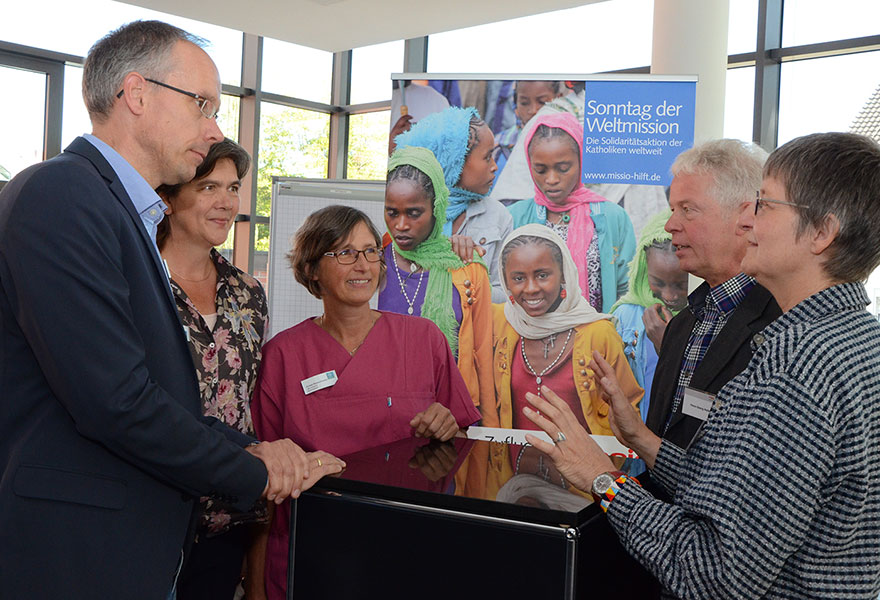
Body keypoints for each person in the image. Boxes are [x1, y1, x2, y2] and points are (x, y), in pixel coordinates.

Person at [0, 21, 342, 599]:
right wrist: (259, 472)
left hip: (129, 544)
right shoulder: (62, 195)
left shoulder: (119, 212)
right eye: (203, 104)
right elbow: (116, 401)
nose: (214, 131)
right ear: (137, 94)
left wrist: (252, 448)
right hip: (77, 554)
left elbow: (158, 391)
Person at [522, 132, 880, 599]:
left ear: (821, 233)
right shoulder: (858, 338)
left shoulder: (793, 369)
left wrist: (601, 480)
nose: (748, 221)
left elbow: (711, 572)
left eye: (765, 205)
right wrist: (643, 441)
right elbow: (740, 497)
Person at [250, 204, 480, 600]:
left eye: (371, 250)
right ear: (312, 268)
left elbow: (460, 444)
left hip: (406, 546)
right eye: (344, 252)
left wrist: (446, 428)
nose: (362, 265)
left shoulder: (424, 340)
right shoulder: (283, 357)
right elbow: (263, 488)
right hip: (309, 552)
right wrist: (255, 588)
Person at [155, 138, 268, 599]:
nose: (226, 203)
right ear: (168, 198)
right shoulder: (142, 283)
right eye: (208, 188)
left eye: (233, 187)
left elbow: (251, 398)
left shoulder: (247, 291)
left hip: (231, 515)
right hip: (156, 512)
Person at [644, 139, 781, 451]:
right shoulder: (683, 323)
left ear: (746, 216)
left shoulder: (783, 331)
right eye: (672, 210)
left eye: (687, 210)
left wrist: (598, 477)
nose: (669, 226)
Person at [379, 146, 497, 424]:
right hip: (381, 417)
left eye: (414, 212)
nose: (402, 225)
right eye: (392, 212)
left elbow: (483, 358)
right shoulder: (372, 262)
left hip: (450, 420)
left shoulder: (467, 268)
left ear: (437, 207)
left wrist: (487, 431)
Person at [493, 224, 642, 437]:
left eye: (542, 275)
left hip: (584, 469)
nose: (531, 288)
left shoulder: (599, 333)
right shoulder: (499, 324)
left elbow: (627, 409)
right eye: (518, 278)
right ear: (505, 281)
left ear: (564, 275)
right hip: (512, 470)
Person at [509, 112, 637, 312]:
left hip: (596, 336)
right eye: (541, 170)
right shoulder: (514, 218)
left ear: (581, 161)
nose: (551, 179)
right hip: (532, 337)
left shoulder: (612, 218)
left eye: (563, 168)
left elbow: (626, 288)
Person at [394, 105, 513, 302]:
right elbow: (398, 287)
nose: (494, 166)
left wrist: (468, 274)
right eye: (487, 157)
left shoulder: (499, 216)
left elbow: (508, 295)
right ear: (453, 162)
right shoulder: (408, 216)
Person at [610, 209, 688, 422]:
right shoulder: (625, 316)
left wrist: (669, 347)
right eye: (658, 283)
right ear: (643, 272)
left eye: (681, 285)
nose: (669, 296)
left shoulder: (704, 319)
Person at [494, 81, 564, 179]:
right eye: (524, 103)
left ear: (559, 100)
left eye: (542, 102)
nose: (533, 110)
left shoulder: (571, 144)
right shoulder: (499, 147)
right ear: (515, 102)